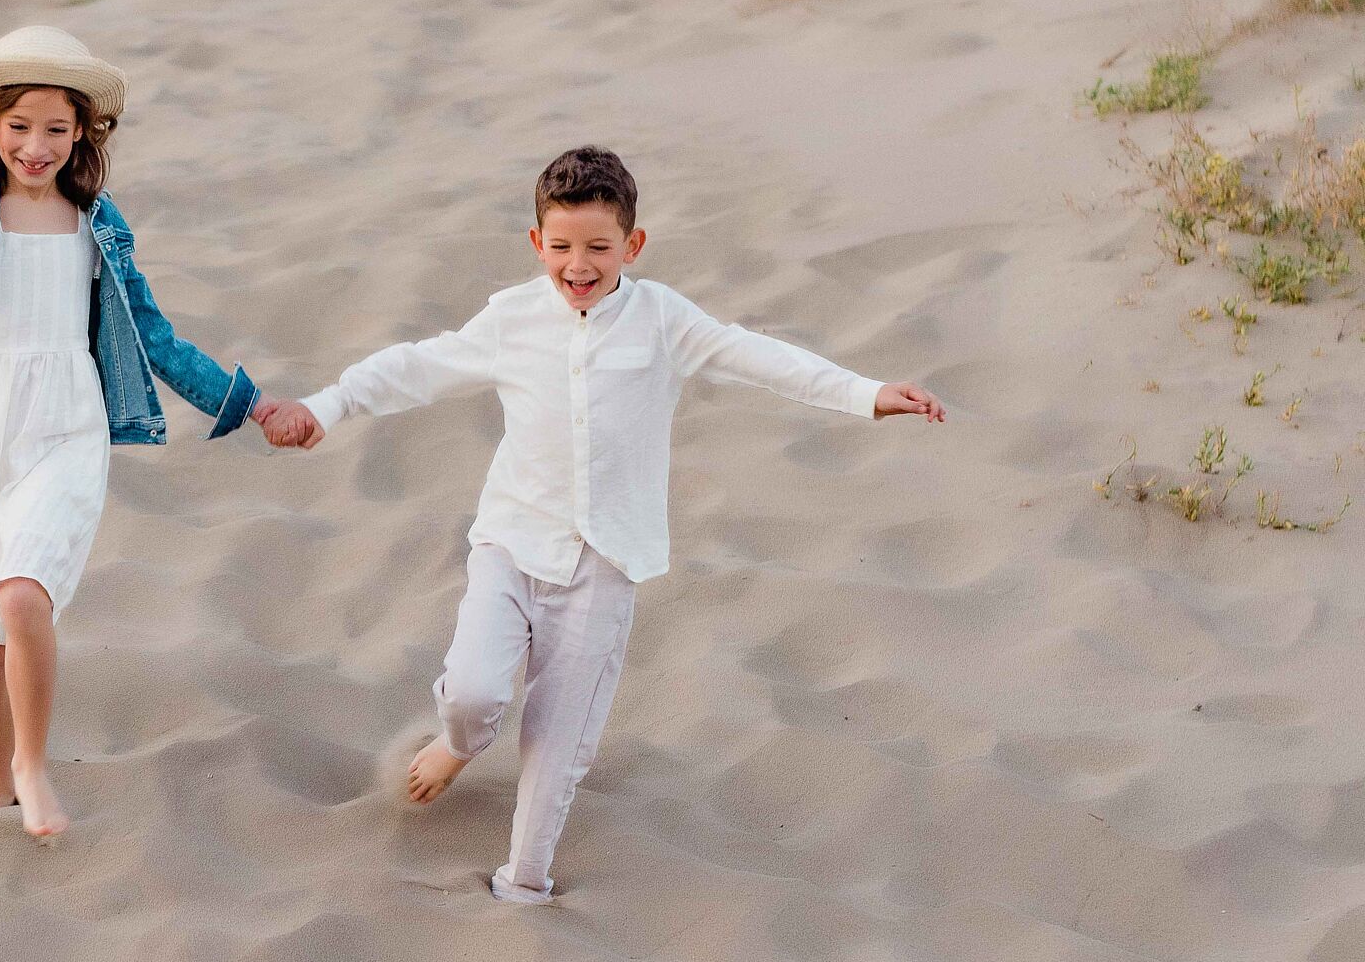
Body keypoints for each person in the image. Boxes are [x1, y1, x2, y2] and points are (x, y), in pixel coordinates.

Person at [258, 146, 945, 902]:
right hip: (512, 545)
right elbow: (413, 367)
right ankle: (457, 747)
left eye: (598, 247)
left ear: (632, 245)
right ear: (536, 245)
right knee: (473, 697)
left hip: (606, 563)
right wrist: (325, 406)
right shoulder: (511, 318)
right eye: (560, 247)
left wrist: (867, 392)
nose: (578, 265)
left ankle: (523, 882)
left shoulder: (663, 320)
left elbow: (757, 356)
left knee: (556, 746)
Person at [0, 25, 305, 841]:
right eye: (21, 125)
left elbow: (157, 340)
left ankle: (34, 767)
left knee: (22, 592)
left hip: (65, 421)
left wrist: (254, 405)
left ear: (83, 135)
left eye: (57, 128)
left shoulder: (97, 225)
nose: (37, 145)